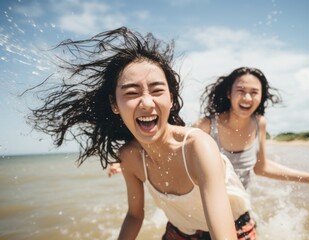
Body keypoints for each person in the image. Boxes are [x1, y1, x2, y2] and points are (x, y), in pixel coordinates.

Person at [26, 27, 256, 239]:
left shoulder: (198, 146)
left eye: (157, 90)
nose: (147, 102)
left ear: (171, 98)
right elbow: (135, 215)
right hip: (180, 233)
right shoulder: (129, 157)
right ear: (114, 104)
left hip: (234, 229)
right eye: (132, 92)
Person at [192, 66, 309, 203]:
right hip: (200, 208)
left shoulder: (259, 123)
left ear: (262, 95)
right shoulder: (206, 125)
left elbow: (262, 167)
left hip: (238, 208)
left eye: (254, 92)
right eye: (240, 90)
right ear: (229, 94)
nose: (247, 98)